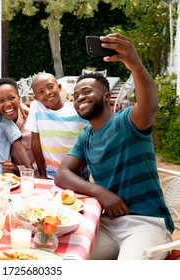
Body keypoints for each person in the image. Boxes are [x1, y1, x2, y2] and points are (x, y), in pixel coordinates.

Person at [54, 33, 174, 260]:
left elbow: (149, 106)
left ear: (107, 97)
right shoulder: (86, 136)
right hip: (107, 223)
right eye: (76, 95)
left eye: (87, 91)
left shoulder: (127, 121)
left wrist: (135, 66)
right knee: (62, 256)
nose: (79, 97)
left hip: (145, 223)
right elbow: (62, 174)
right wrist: (99, 192)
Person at [26, 72, 88, 179]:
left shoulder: (75, 110)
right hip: (50, 174)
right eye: (41, 92)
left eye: (50, 87)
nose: (47, 93)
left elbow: (91, 136)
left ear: (59, 87)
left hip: (77, 174)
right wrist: (42, 174)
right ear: (36, 97)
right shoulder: (36, 107)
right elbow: (35, 143)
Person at [0, 77, 37, 176]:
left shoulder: (32, 119)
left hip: (36, 175)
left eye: (12, 98)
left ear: (19, 98)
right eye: (1, 101)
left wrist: (17, 169)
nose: (7, 104)